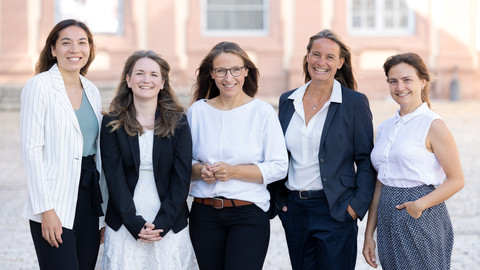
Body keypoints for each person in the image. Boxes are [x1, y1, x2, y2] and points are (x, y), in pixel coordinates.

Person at [271, 29, 376, 270]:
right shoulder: (288, 100)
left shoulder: (354, 103)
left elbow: (366, 161)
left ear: (340, 63)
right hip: (295, 209)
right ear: (307, 57)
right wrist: (279, 200)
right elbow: (278, 154)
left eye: (330, 57)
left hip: (336, 209)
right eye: (316, 54)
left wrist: (355, 207)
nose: (321, 62)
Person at [187, 41, 288, 270]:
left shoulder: (262, 112)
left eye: (235, 70)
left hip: (248, 214)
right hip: (204, 215)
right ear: (211, 73)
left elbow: (279, 166)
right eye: (221, 70)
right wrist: (200, 171)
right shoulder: (197, 112)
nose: (228, 77)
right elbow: (183, 162)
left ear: (245, 72)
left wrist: (233, 171)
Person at [362, 52, 465, 270]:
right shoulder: (385, 127)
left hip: (421, 215)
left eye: (407, 80)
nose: (400, 87)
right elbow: (380, 182)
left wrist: (419, 205)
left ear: (422, 81)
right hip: (387, 217)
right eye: (393, 81)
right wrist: (369, 233)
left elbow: (456, 180)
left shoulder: (433, 125)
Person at [20, 19, 106, 269]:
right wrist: (45, 209)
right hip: (54, 199)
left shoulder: (92, 90)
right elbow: (32, 151)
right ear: (53, 50)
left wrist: (101, 217)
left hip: (89, 200)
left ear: (89, 49)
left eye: (82, 43)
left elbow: (98, 154)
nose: (75, 49)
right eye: (66, 43)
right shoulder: (40, 86)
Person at [100, 50, 195, 269]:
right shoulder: (111, 123)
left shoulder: (178, 122)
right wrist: (134, 223)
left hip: (169, 218)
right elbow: (114, 178)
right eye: (139, 73)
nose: (146, 80)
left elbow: (181, 178)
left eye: (153, 74)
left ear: (162, 82)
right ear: (128, 79)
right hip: (125, 217)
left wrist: (162, 223)